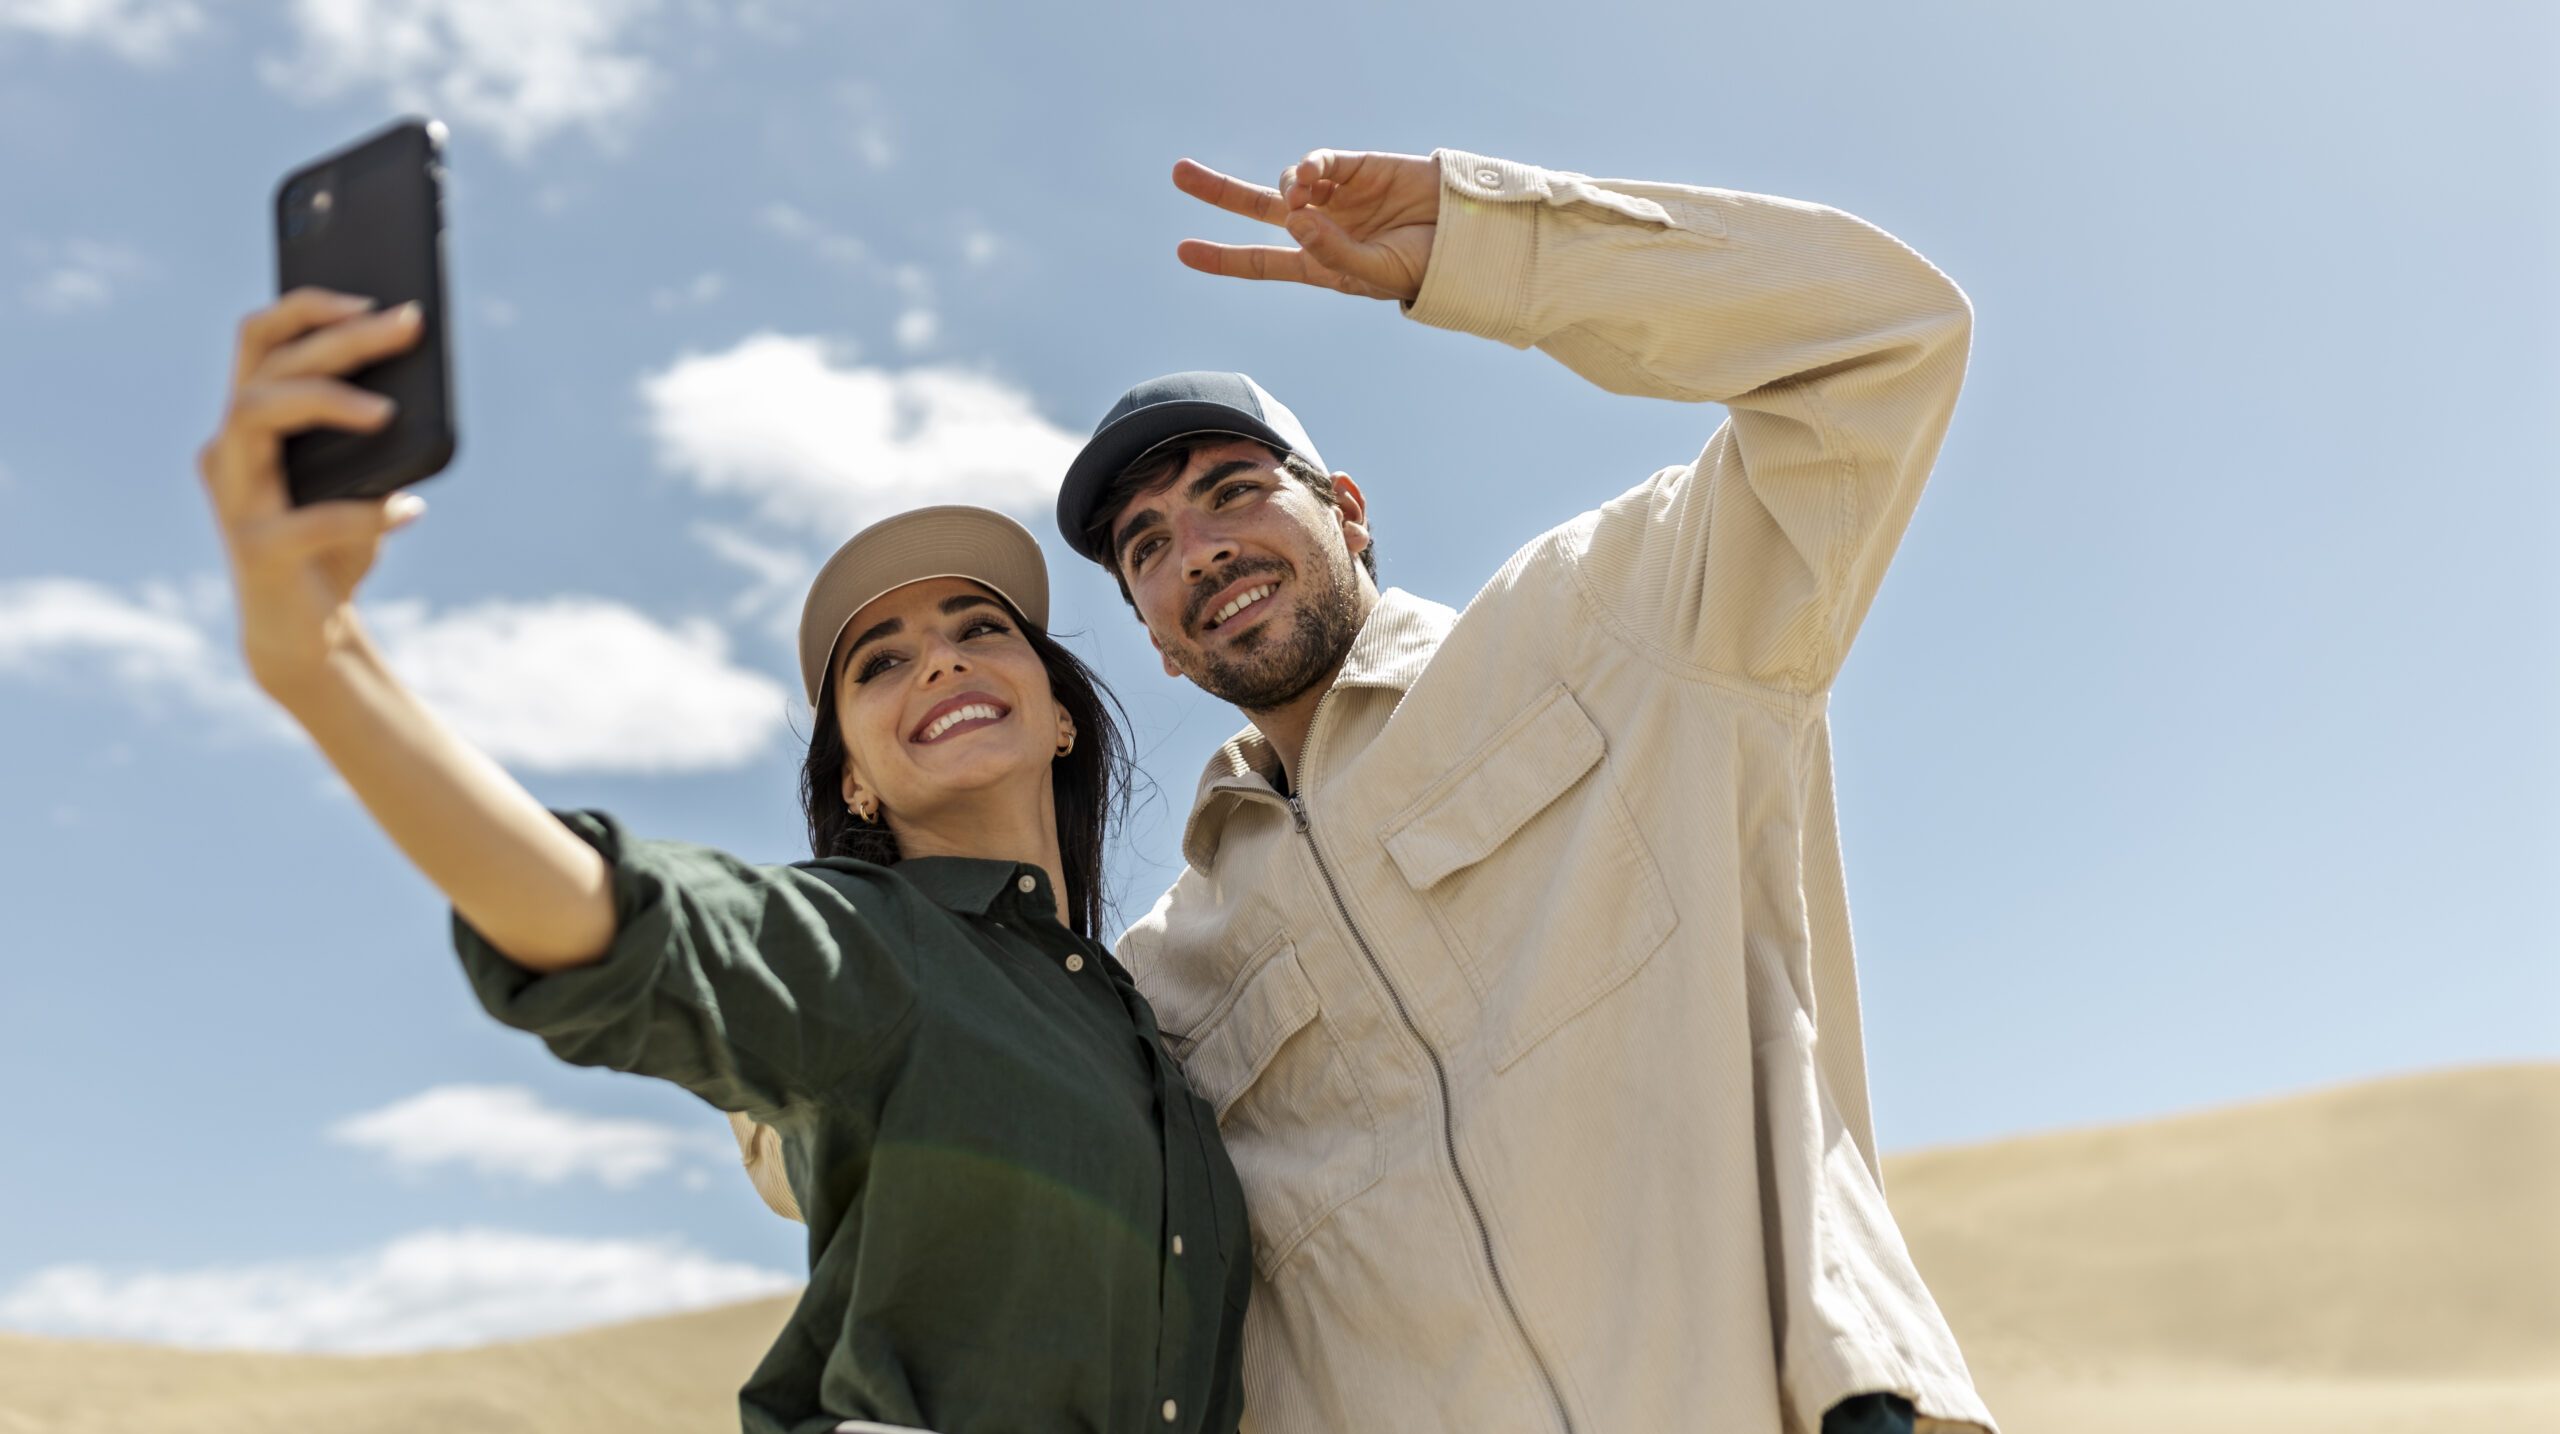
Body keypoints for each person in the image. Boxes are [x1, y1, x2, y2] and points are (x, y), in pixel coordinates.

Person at [1055, 149, 2000, 1433]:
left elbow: (1881, 341)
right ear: (1158, 640)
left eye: (1233, 490)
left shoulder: (1618, 626)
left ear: (1346, 510)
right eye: (1146, 548)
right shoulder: (1166, 977)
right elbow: (912, 1112)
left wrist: (1493, 248)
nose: (1200, 547)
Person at [193, 288, 1249, 1434]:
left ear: (1058, 716)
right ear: (851, 778)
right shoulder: (867, 949)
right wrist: (323, 665)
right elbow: (621, 920)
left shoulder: (1141, 1018)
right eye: (879, 663)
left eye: (978, 627)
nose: (939, 662)